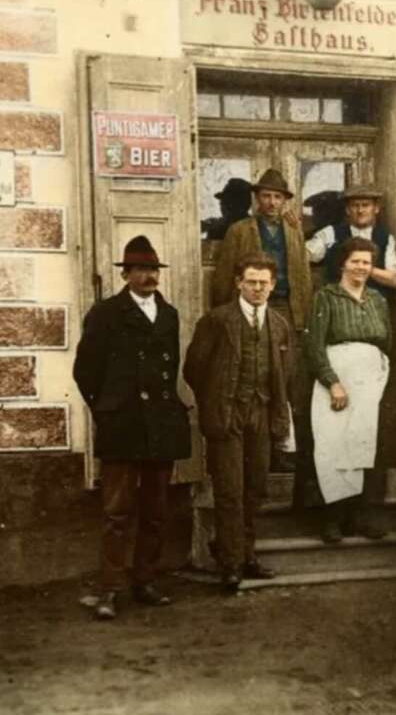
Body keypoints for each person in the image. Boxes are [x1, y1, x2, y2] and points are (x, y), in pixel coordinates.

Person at [72, 235, 191, 620]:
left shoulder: (169, 314)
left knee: (156, 510)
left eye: (154, 270)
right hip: (123, 425)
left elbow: (169, 370)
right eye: (141, 270)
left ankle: (145, 581)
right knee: (117, 512)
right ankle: (109, 588)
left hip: (159, 425)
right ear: (126, 274)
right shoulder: (106, 314)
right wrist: (107, 410)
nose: (149, 276)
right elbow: (85, 371)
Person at [184, 253, 294, 591]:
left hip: (260, 413)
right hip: (227, 415)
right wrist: (218, 405)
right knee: (230, 489)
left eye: (264, 283)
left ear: (272, 285)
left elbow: (284, 375)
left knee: (255, 488)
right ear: (238, 283)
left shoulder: (278, 324)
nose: (258, 288)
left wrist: (274, 414)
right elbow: (194, 370)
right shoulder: (217, 321)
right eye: (252, 282)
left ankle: (247, 555)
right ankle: (230, 564)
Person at [210, 168, 313, 478]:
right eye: (266, 196)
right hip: (250, 309)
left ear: (285, 202)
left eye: (277, 197)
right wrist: (226, 315)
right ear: (256, 199)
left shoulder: (293, 231)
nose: (271, 202)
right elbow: (225, 274)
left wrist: (302, 316)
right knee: (252, 378)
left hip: (285, 308)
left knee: (283, 381)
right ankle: (253, 452)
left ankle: (281, 449)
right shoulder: (240, 231)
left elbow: (303, 276)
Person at [305, 237, 392, 543]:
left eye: (366, 262)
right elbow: (314, 345)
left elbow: (386, 342)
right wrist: (333, 382)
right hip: (337, 381)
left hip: (370, 383)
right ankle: (332, 518)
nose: (361, 267)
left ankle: (359, 517)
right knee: (333, 447)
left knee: (362, 446)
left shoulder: (377, 300)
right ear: (342, 263)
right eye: (355, 261)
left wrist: (377, 372)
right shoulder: (325, 297)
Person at [305, 187, 396, 297]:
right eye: (355, 205)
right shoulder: (330, 233)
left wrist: (363, 268)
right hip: (338, 302)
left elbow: (394, 280)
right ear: (347, 210)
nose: (360, 210)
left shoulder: (385, 238)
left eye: (365, 205)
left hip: (373, 305)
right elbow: (304, 256)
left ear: (376, 209)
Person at [201, 177, 252, 241]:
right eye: (223, 201)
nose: (221, 205)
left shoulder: (251, 228)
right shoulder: (217, 226)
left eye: (227, 202)